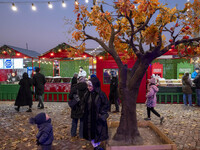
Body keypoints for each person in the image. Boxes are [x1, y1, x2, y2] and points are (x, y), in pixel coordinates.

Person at [83, 77, 109, 150]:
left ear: (95, 85)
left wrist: (101, 113)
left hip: (97, 118)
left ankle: (96, 145)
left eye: (90, 86)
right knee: (90, 132)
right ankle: (95, 146)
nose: (88, 88)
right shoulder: (87, 94)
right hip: (89, 118)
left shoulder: (101, 94)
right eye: (88, 86)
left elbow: (106, 105)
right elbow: (84, 104)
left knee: (98, 132)